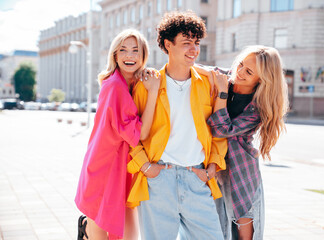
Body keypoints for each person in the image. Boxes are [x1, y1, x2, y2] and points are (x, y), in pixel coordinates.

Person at [126, 11, 227, 240]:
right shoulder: (148, 84)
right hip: (159, 179)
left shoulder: (208, 84)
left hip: (196, 177)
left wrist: (212, 167)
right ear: (167, 45)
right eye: (186, 43)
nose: (194, 49)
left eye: (196, 42)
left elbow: (218, 130)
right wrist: (145, 167)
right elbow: (131, 134)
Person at [75, 29, 160, 240]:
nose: (129, 56)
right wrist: (154, 92)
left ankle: (86, 227)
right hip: (105, 167)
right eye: (123, 50)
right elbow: (140, 133)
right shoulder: (115, 87)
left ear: (143, 56)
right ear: (115, 55)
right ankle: (86, 229)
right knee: (103, 234)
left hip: (122, 166)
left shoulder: (132, 83)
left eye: (135, 50)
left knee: (124, 231)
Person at [202, 45, 288, 240]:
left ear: (261, 80)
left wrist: (222, 94)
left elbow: (222, 130)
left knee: (244, 221)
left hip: (240, 168)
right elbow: (193, 68)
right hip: (211, 163)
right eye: (240, 64)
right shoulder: (227, 77)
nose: (239, 72)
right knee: (215, 225)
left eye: (248, 72)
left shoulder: (257, 107)